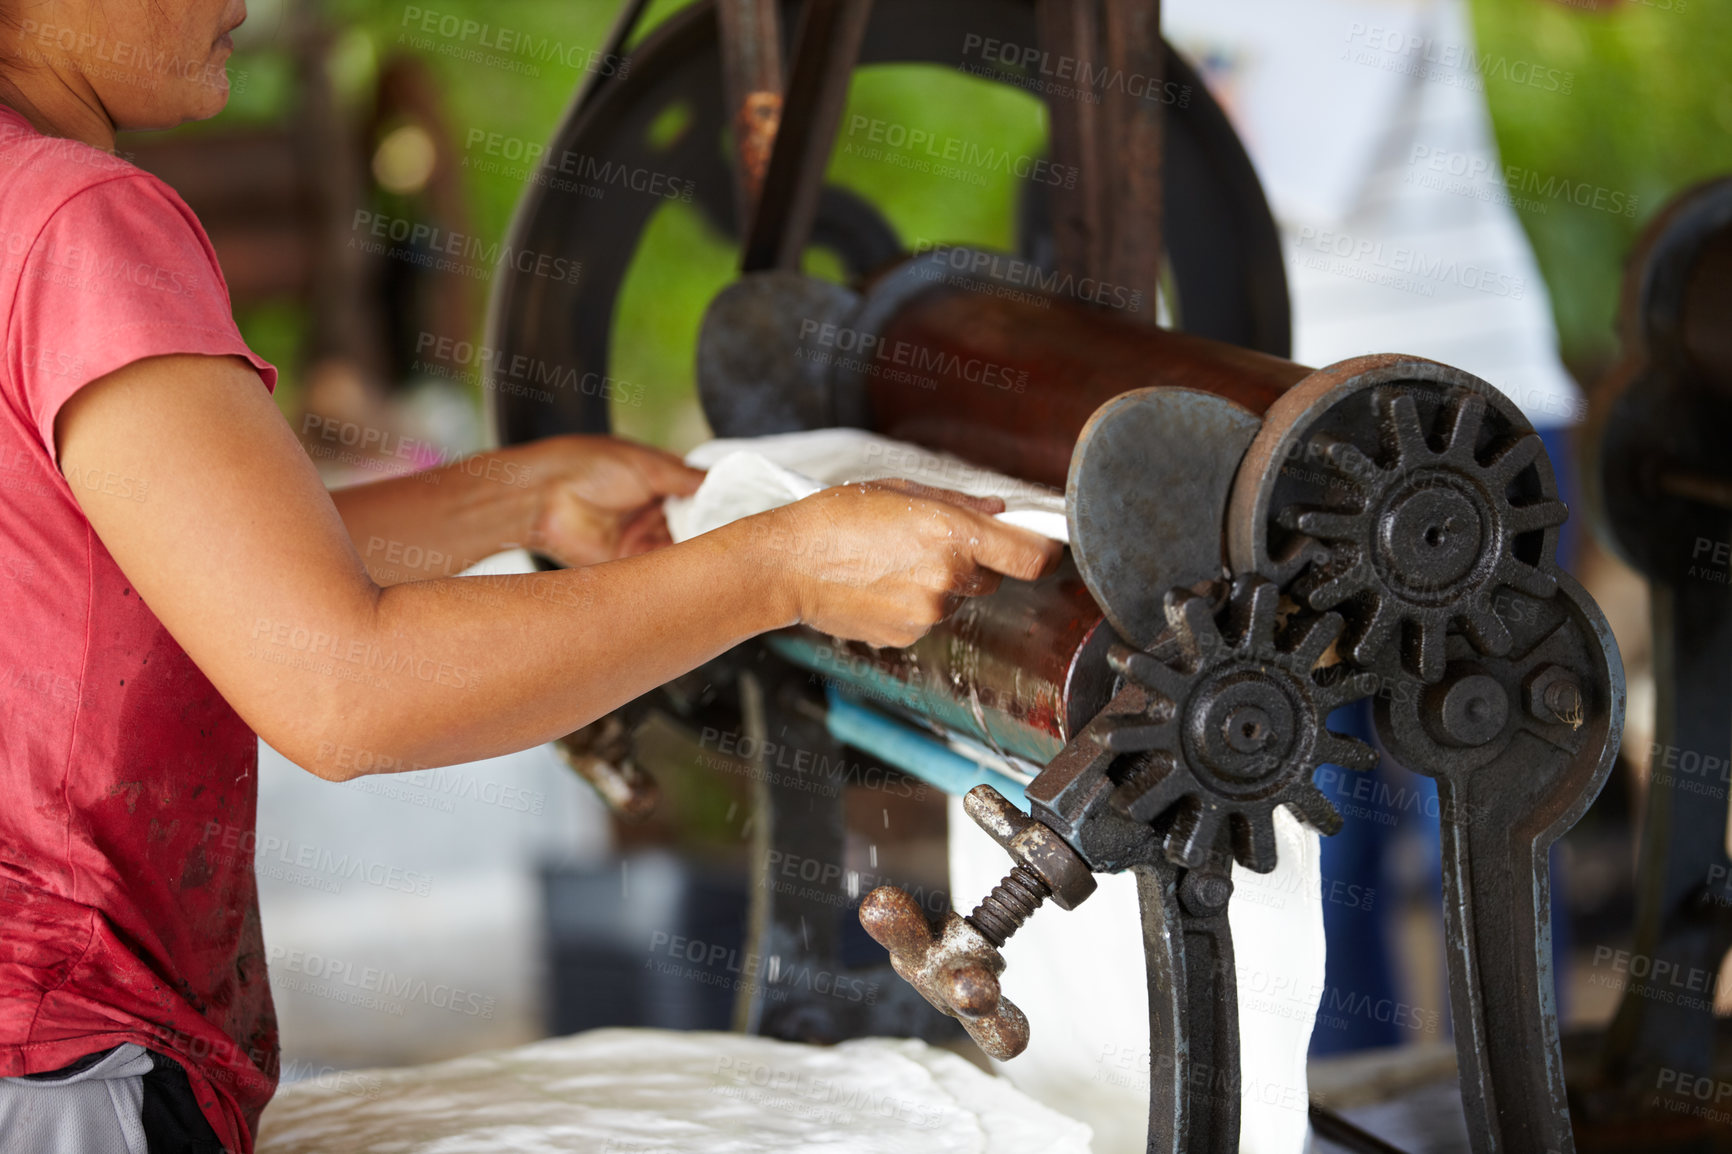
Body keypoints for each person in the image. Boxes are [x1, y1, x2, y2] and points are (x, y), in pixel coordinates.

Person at [0, 3, 1062, 1152]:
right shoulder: (79, 221)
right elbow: (342, 688)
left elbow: (145, 571)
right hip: (61, 1075)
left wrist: (517, 497)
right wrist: (778, 569)